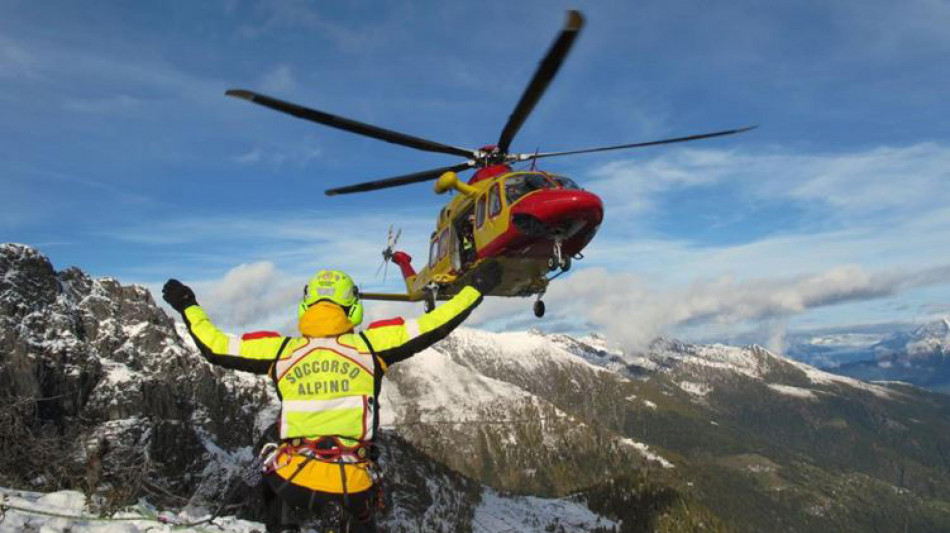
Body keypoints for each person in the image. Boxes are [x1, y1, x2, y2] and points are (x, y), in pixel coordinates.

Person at [161, 263, 500, 532]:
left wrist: (188, 305)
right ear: (352, 308)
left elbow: (215, 346)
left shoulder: (281, 351)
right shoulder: (371, 346)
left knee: (268, 457)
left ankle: (280, 525)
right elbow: (436, 324)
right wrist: (475, 287)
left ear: (305, 306)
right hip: (352, 482)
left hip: (291, 478)